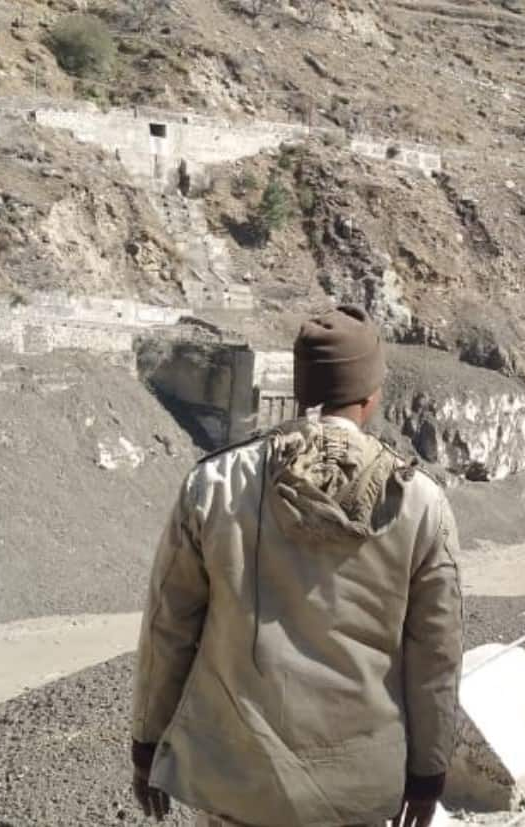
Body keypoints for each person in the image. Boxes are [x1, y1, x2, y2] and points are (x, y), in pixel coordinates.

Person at [130, 306, 463, 827]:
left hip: (237, 779)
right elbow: (436, 655)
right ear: (372, 395)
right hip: (356, 791)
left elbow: (167, 628)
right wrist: (429, 771)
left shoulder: (214, 484)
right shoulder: (421, 502)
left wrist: (147, 740)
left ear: (303, 389)